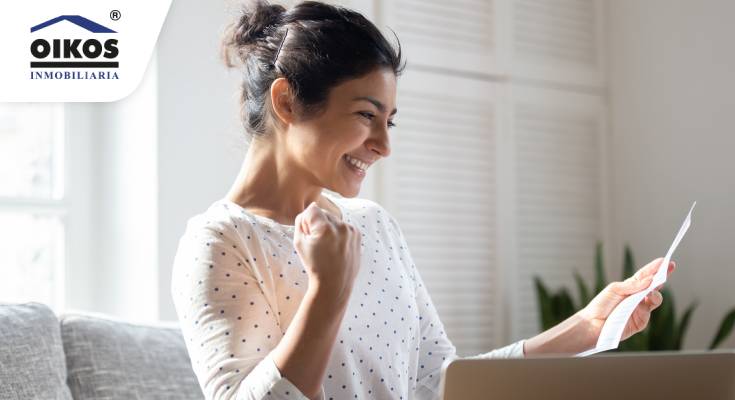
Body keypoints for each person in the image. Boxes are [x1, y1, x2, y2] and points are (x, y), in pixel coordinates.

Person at [170, 1, 674, 399]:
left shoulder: (373, 225)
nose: (384, 146)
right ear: (287, 101)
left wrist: (586, 328)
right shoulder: (221, 242)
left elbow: (441, 384)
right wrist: (327, 293)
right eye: (367, 115)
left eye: (388, 121)